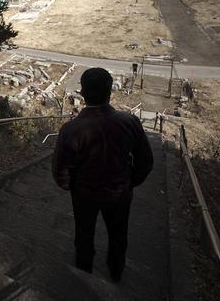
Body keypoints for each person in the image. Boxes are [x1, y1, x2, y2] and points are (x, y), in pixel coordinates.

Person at [52, 67, 154, 282]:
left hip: (84, 193)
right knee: (119, 234)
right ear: (110, 92)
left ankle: (83, 271)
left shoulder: (71, 129)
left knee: (84, 233)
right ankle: (116, 271)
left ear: (82, 92)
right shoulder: (129, 122)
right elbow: (146, 161)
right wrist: (129, 182)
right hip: (120, 192)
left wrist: (71, 186)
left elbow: (60, 170)